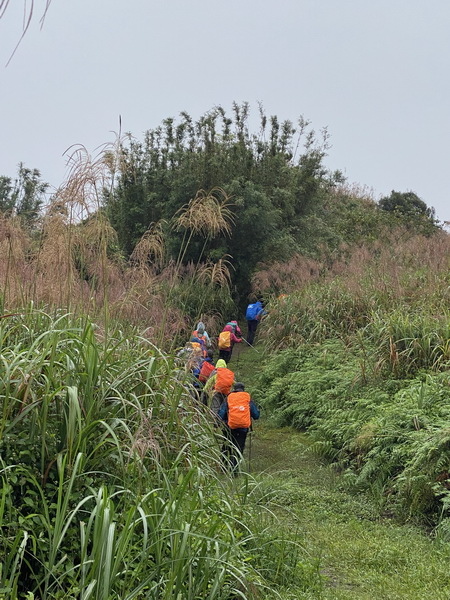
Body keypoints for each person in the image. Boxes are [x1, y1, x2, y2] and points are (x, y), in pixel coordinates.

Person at [218, 382, 260, 473]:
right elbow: (256, 415)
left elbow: (221, 413)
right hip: (243, 428)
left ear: (234, 389)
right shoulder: (247, 398)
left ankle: (223, 468)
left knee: (227, 446)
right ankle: (235, 470)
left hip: (229, 427)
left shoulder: (229, 397)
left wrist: (217, 423)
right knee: (239, 448)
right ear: (243, 389)